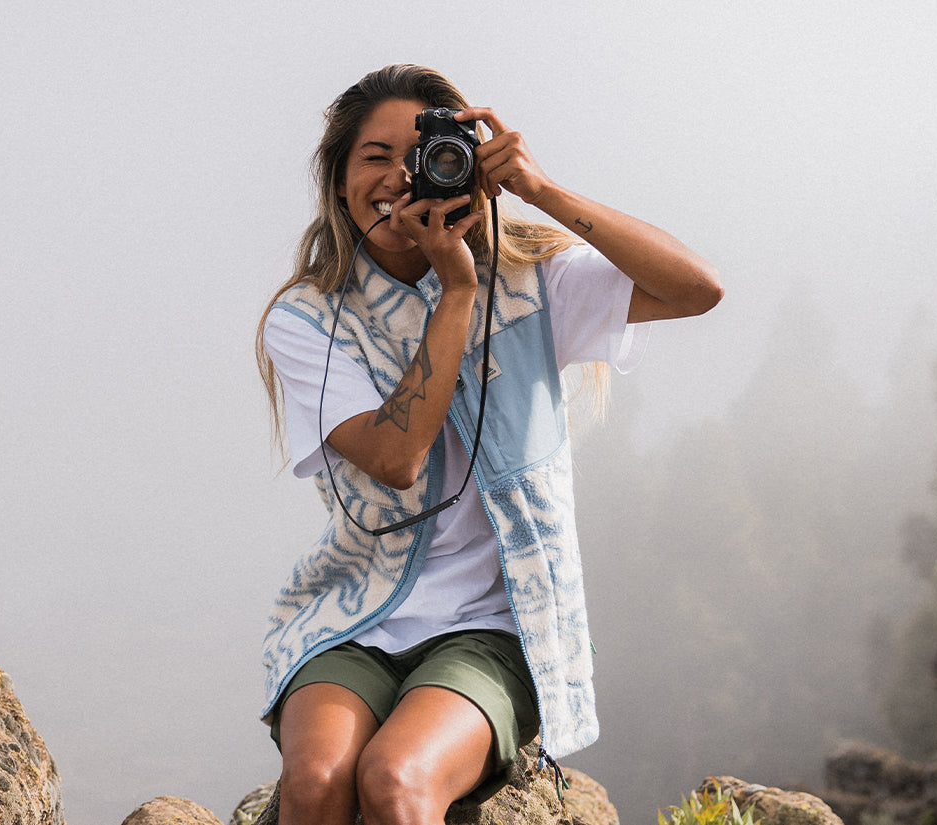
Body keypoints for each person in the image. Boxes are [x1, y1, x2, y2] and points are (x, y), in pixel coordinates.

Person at [254, 63, 721, 825]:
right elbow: (395, 458)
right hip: (353, 615)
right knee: (315, 785)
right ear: (339, 181)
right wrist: (455, 293)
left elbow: (698, 287)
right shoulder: (310, 318)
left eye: (423, 153)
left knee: (396, 781)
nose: (400, 175)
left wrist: (542, 190)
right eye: (374, 157)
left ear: (465, 166)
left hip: (495, 625)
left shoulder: (531, 280)